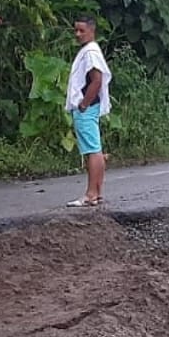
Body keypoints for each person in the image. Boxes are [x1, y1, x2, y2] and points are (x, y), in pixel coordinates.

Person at [64, 14, 112, 207]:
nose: (78, 34)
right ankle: (97, 192)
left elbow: (96, 80)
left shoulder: (90, 52)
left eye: (82, 30)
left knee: (92, 150)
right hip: (91, 107)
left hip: (87, 107)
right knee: (96, 150)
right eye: (76, 30)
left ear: (92, 31)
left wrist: (83, 104)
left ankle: (91, 193)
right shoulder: (91, 50)